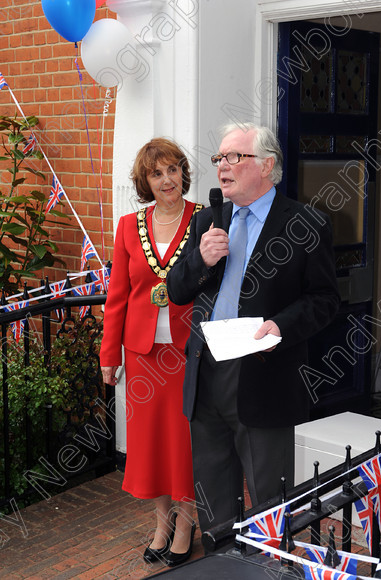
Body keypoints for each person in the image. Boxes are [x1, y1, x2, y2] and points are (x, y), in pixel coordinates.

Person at [167, 123, 340, 533]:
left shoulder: (307, 223)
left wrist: (280, 326)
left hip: (265, 375)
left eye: (233, 157)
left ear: (266, 165)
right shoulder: (207, 220)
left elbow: (325, 299)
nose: (222, 167)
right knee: (215, 508)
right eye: (218, 158)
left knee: (270, 504)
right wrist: (199, 261)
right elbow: (176, 291)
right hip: (207, 374)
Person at [100, 138, 203, 567]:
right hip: (142, 352)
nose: (167, 180)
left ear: (183, 173)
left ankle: (186, 522)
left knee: (183, 443)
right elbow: (117, 295)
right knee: (150, 445)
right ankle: (161, 523)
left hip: (188, 351)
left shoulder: (206, 218)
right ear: (145, 181)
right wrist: (110, 355)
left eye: (173, 170)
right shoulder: (128, 225)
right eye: (157, 173)